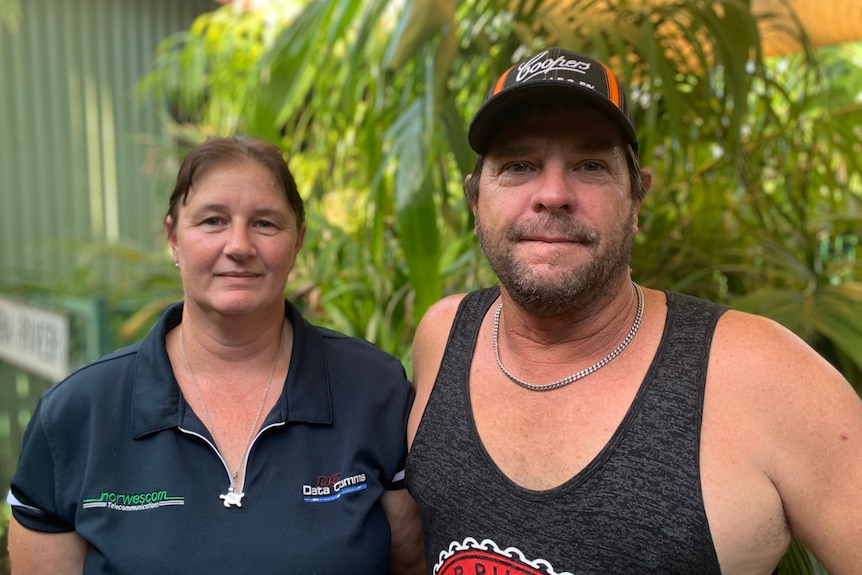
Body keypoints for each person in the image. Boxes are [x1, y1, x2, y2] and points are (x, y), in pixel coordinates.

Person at [405, 47, 862, 574]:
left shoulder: (763, 376)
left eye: (591, 165)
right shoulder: (443, 336)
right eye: (519, 165)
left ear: (637, 198)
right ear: (474, 200)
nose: (553, 193)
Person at [7, 136, 425, 574]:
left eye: (265, 223)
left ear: (298, 241)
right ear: (173, 238)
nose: (239, 245)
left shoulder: (374, 390)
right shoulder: (78, 414)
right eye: (212, 221)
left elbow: (412, 563)